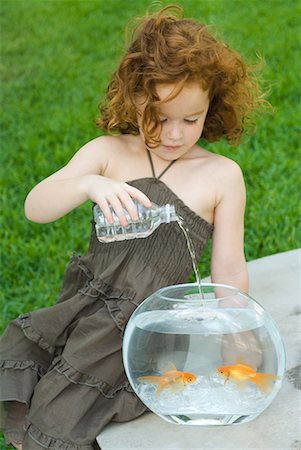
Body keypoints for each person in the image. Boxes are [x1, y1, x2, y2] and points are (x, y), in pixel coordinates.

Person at [0, 4, 266, 449]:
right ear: (135, 99)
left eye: (191, 119)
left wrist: (240, 332)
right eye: (159, 119)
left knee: (59, 411)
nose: (176, 135)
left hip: (147, 322)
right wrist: (88, 183)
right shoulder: (109, 153)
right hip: (83, 304)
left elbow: (229, 270)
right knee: (22, 360)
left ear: (211, 108)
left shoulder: (221, 176)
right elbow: (35, 207)